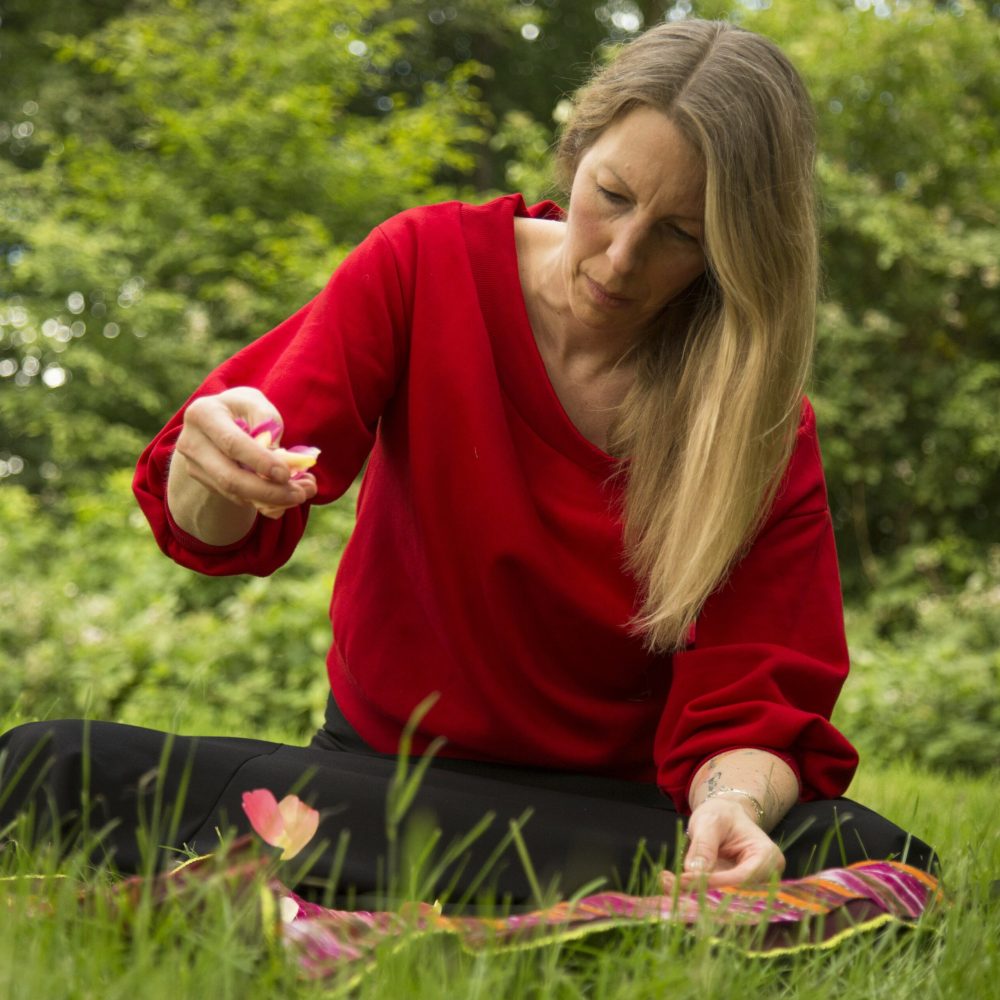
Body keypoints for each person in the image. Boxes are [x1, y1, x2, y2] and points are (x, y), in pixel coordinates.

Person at [0, 19, 934, 906]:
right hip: (377, 781)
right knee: (49, 764)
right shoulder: (424, 263)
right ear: (579, 148)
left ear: (735, 252)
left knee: (860, 852)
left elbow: (753, 698)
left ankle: (447, 876)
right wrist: (213, 473)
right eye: (611, 195)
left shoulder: (758, 419)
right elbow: (224, 518)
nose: (619, 255)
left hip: (609, 812)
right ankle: (548, 884)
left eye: (682, 235)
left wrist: (731, 809)